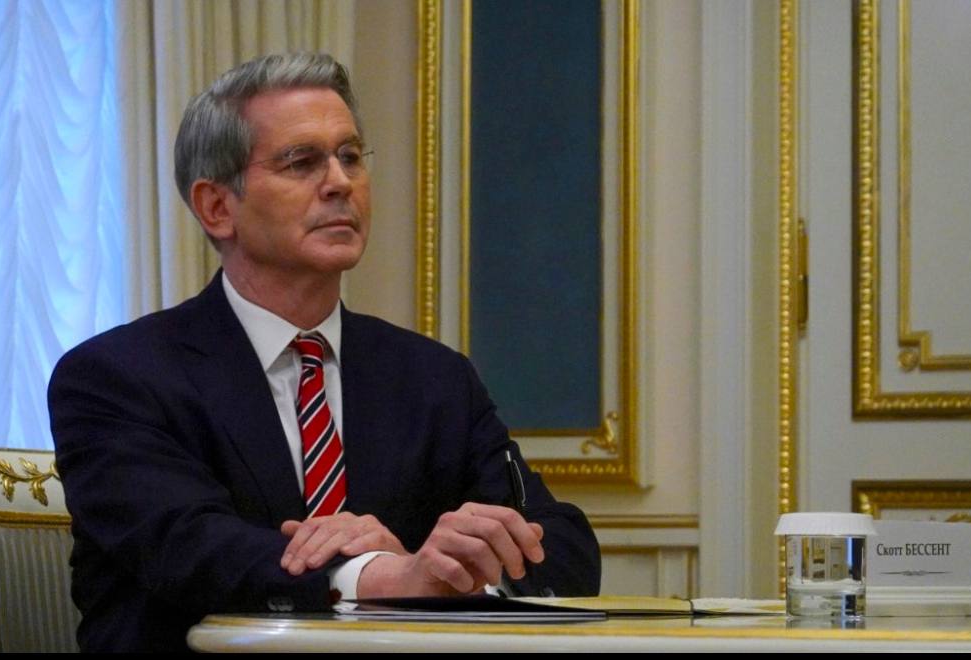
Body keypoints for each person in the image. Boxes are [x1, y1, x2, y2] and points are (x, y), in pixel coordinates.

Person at [48, 52, 600, 652]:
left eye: (351, 156)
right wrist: (381, 577)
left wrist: (449, 572)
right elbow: (194, 548)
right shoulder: (118, 376)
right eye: (301, 162)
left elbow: (561, 546)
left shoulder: (433, 378)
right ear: (216, 207)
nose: (340, 182)